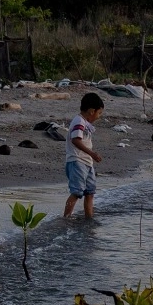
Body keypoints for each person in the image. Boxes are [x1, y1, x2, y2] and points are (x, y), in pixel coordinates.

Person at [63, 91, 104, 219]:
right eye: (99, 113)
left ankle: (89, 219)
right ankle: (66, 218)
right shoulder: (78, 121)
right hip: (77, 161)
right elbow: (75, 140)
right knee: (76, 192)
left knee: (90, 193)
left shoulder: (85, 123)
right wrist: (92, 153)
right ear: (92, 111)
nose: (99, 116)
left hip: (87, 163)